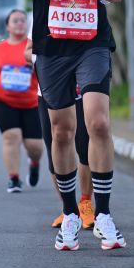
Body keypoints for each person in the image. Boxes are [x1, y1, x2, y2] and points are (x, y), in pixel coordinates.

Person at [6, 0, 127, 251]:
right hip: (51, 43)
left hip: (93, 39)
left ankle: (104, 215)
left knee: (98, 122)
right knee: (61, 130)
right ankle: (71, 214)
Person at [24, 37, 94, 230]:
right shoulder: (41, 19)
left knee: (84, 147)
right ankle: (68, 208)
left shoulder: (86, 16)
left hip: (81, 90)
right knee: (55, 148)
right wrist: (45, 58)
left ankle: (86, 203)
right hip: (49, 90)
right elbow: (27, 51)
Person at [0, 9, 43, 193]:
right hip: (4, 100)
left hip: (32, 103)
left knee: (35, 146)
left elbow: (46, 70)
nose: (20, 23)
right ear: (7, 26)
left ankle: (34, 163)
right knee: (11, 137)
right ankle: (14, 178)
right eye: (15, 20)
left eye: (23, 20)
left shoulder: (34, 47)